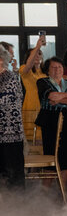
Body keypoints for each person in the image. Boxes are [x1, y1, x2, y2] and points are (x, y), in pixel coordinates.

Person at [35, 57, 67, 187]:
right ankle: (46, 192)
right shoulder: (42, 81)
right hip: (50, 122)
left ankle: (61, 191)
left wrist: (59, 98)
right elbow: (51, 96)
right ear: (47, 70)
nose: (57, 70)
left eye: (60, 67)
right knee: (51, 157)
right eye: (53, 67)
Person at [0, 45, 25, 190]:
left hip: (10, 135)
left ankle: (17, 209)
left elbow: (6, 100)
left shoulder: (10, 78)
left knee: (12, 176)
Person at [19, 35, 47, 142]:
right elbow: (28, 66)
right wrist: (37, 47)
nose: (37, 56)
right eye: (34, 54)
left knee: (44, 137)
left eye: (39, 54)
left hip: (44, 104)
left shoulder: (45, 71)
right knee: (32, 139)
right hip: (31, 103)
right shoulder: (24, 69)